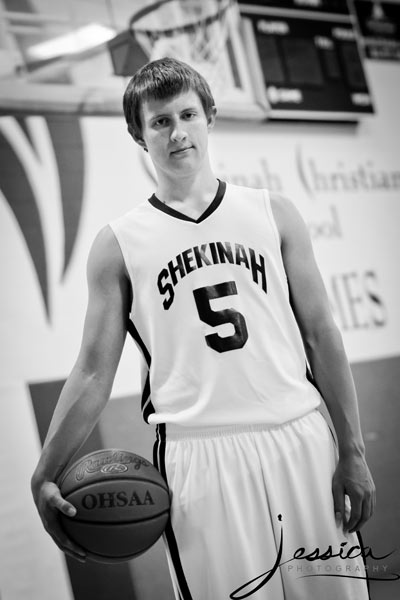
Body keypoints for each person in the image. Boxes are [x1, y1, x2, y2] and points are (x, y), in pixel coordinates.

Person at [31, 57, 375, 600]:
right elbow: (95, 372)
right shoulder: (119, 243)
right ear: (138, 136)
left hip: (301, 438)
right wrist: (45, 470)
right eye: (160, 121)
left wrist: (352, 449)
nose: (178, 132)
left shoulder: (273, 213)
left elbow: (322, 335)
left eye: (187, 114)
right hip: (201, 457)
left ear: (210, 116)